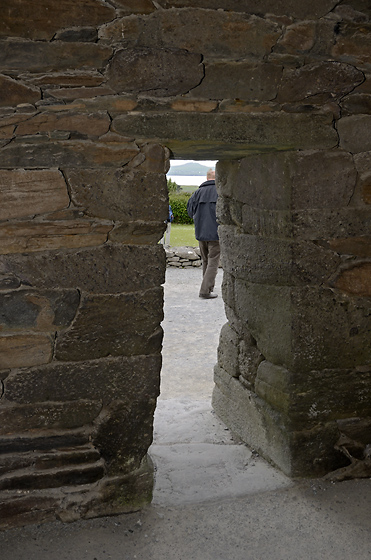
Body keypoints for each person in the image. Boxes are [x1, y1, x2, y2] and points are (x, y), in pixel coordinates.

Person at [187, 169, 220, 299]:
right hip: (215, 234)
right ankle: (205, 290)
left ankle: (208, 287)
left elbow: (190, 212)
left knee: (206, 261)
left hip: (201, 232)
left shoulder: (197, 193)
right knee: (213, 262)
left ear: (207, 178)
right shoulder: (220, 192)